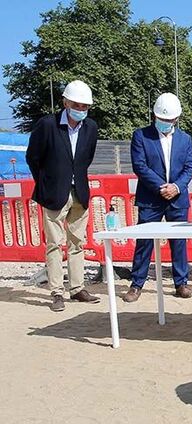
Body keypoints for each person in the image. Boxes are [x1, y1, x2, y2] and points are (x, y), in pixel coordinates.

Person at [25, 80, 100, 312]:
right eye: (76, 105)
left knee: (77, 242)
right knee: (54, 244)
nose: (81, 109)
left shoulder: (91, 127)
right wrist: (46, 182)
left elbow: (86, 159)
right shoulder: (47, 125)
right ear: (65, 102)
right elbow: (33, 157)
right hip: (54, 193)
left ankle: (77, 288)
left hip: (80, 193)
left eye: (85, 106)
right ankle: (57, 291)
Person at [124, 93, 192, 302]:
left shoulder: (185, 139)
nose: (165, 122)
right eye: (161, 119)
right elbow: (140, 166)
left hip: (177, 199)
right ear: (155, 116)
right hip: (150, 199)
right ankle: (136, 284)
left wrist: (176, 187)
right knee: (144, 241)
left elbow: (189, 167)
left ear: (176, 118)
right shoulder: (141, 136)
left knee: (179, 242)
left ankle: (181, 283)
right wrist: (161, 187)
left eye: (169, 119)